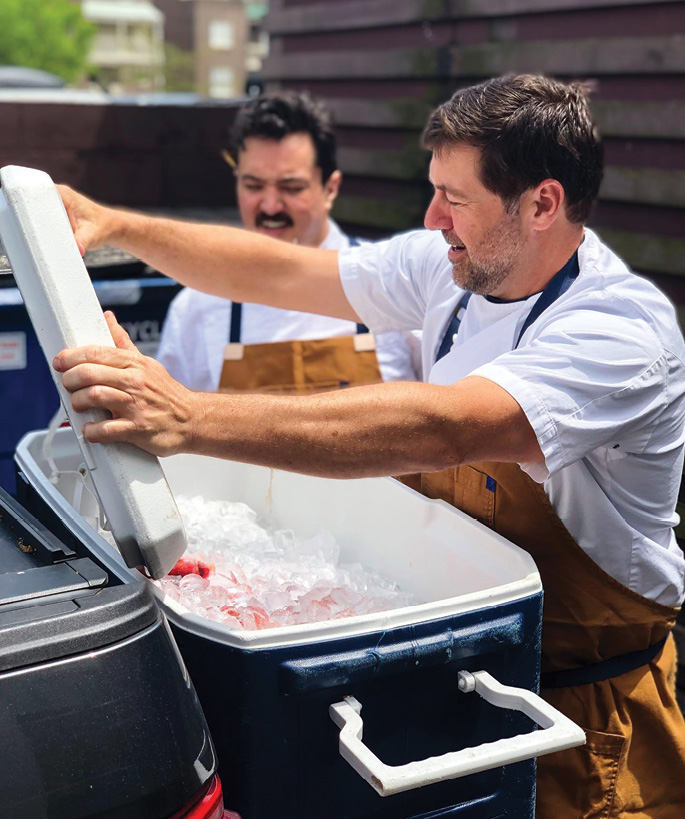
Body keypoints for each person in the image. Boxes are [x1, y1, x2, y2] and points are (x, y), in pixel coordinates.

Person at [55, 74, 685, 817]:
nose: (430, 217)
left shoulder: (621, 329)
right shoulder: (448, 274)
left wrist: (188, 417)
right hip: (453, 686)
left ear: (542, 203)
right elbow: (282, 270)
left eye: (455, 198)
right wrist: (111, 223)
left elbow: (444, 426)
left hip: (579, 730)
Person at [156, 90, 420, 393]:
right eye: (253, 186)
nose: (270, 207)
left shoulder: (393, 283)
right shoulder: (198, 306)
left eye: (291, 188)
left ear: (330, 189)